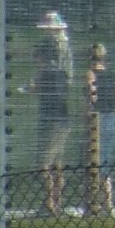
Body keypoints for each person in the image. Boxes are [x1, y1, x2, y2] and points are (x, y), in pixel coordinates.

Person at [34, 15, 78, 214]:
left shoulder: (53, 67)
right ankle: (55, 202)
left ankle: (49, 203)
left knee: (43, 162)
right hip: (61, 114)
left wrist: (36, 85)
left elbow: (45, 81)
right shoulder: (63, 55)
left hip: (52, 116)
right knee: (57, 162)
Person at [86, 44, 115, 212]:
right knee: (105, 161)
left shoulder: (91, 75)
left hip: (97, 120)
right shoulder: (113, 76)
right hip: (112, 119)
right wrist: (111, 102)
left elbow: (91, 96)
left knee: (93, 162)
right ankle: (108, 204)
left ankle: (94, 203)